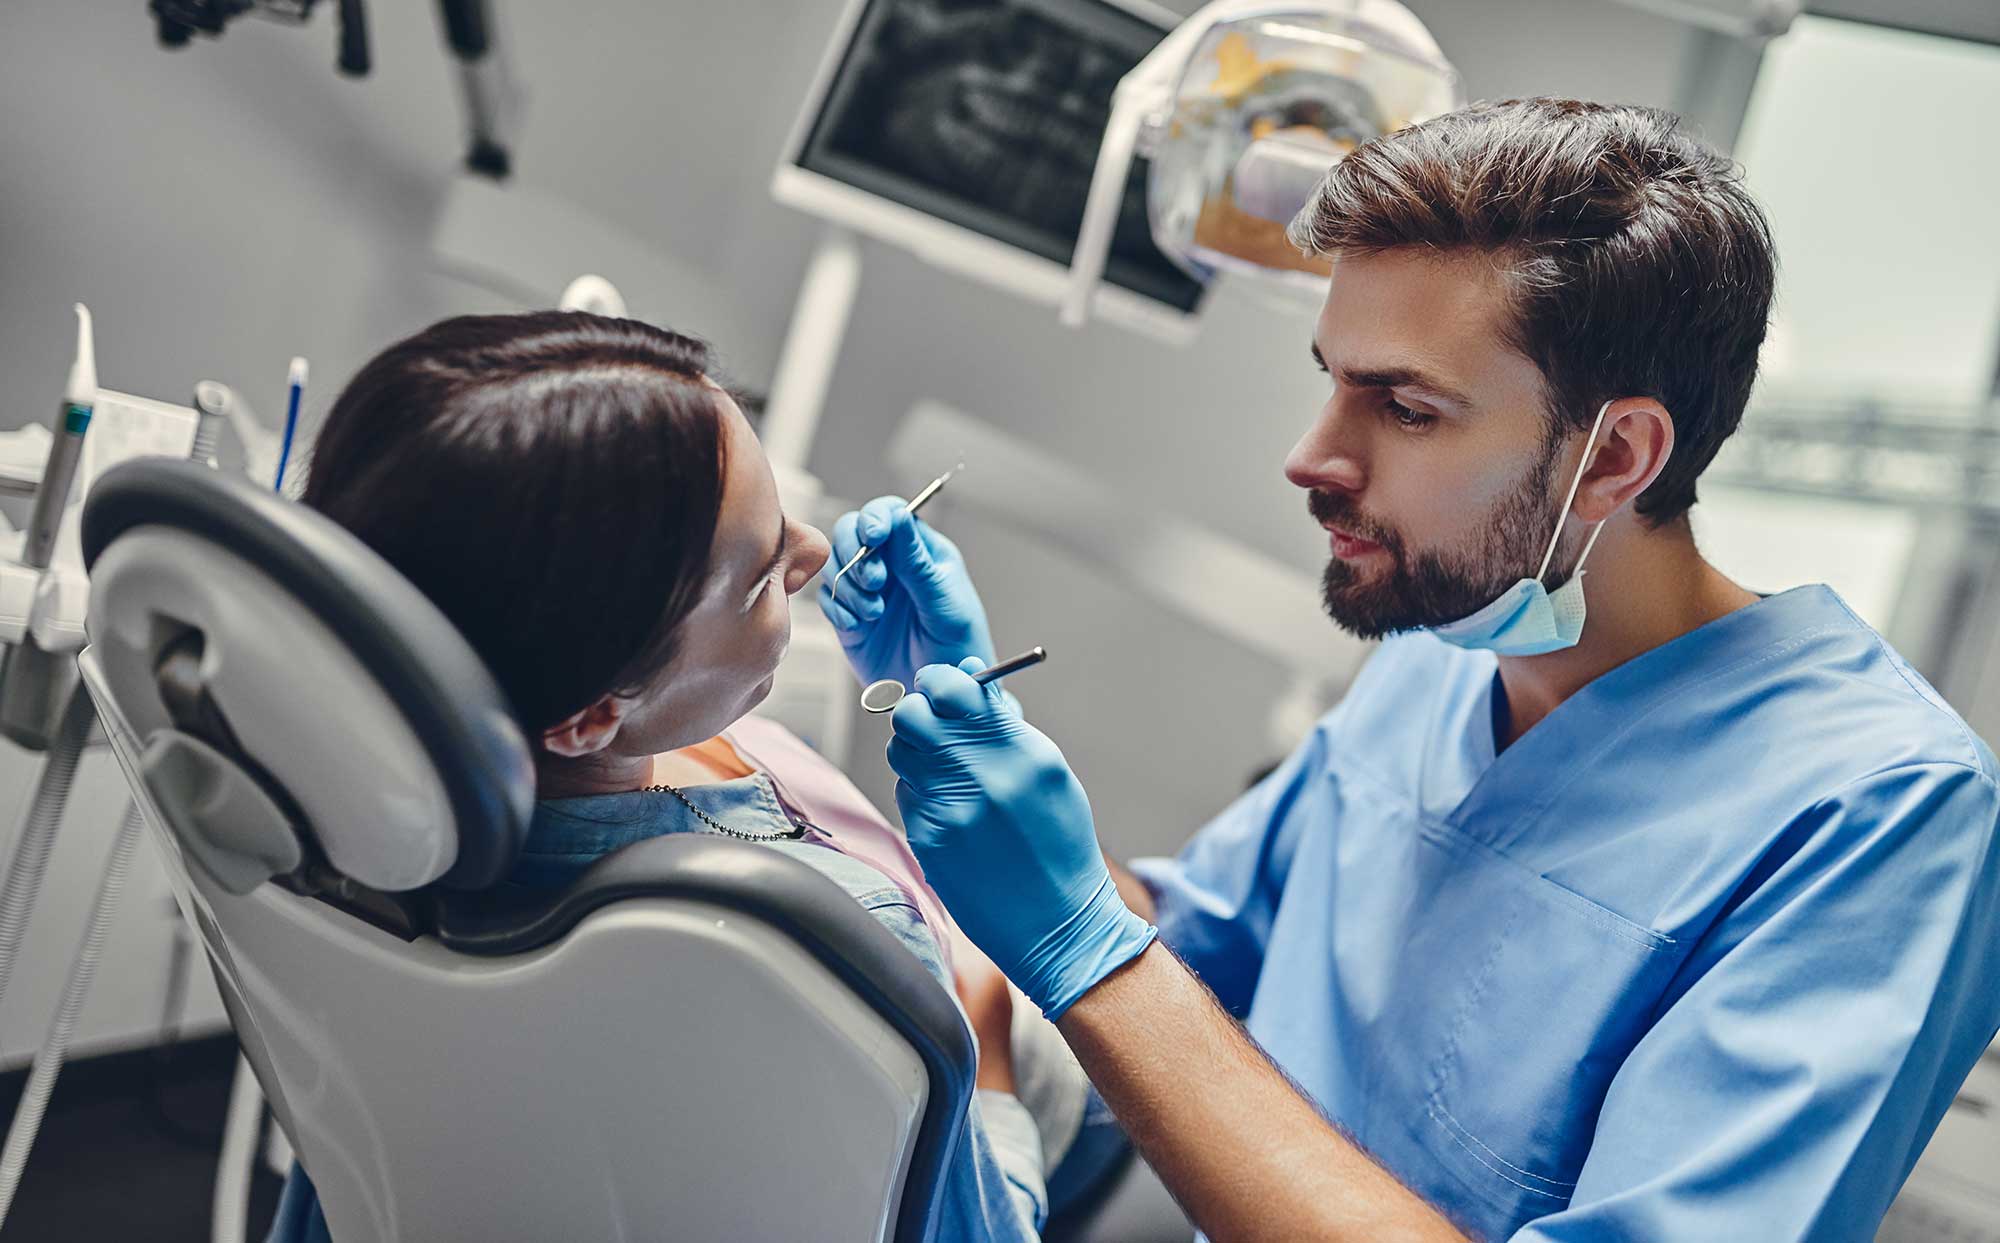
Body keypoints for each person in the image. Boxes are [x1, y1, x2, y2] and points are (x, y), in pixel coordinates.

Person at [821, 99, 2000, 1241]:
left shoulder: (1881, 813)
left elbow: (1121, 973)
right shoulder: (1447, 639)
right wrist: (975, 734)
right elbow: (1198, 958)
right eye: (1331, 377)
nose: (1310, 457)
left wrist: (1079, 937)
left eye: (1405, 407)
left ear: (1616, 456)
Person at [262, 311, 1064, 1243]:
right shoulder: (832, 945)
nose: (812, 552)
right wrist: (993, 1059)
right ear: (593, 713)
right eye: (765, 574)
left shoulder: (328, 813)